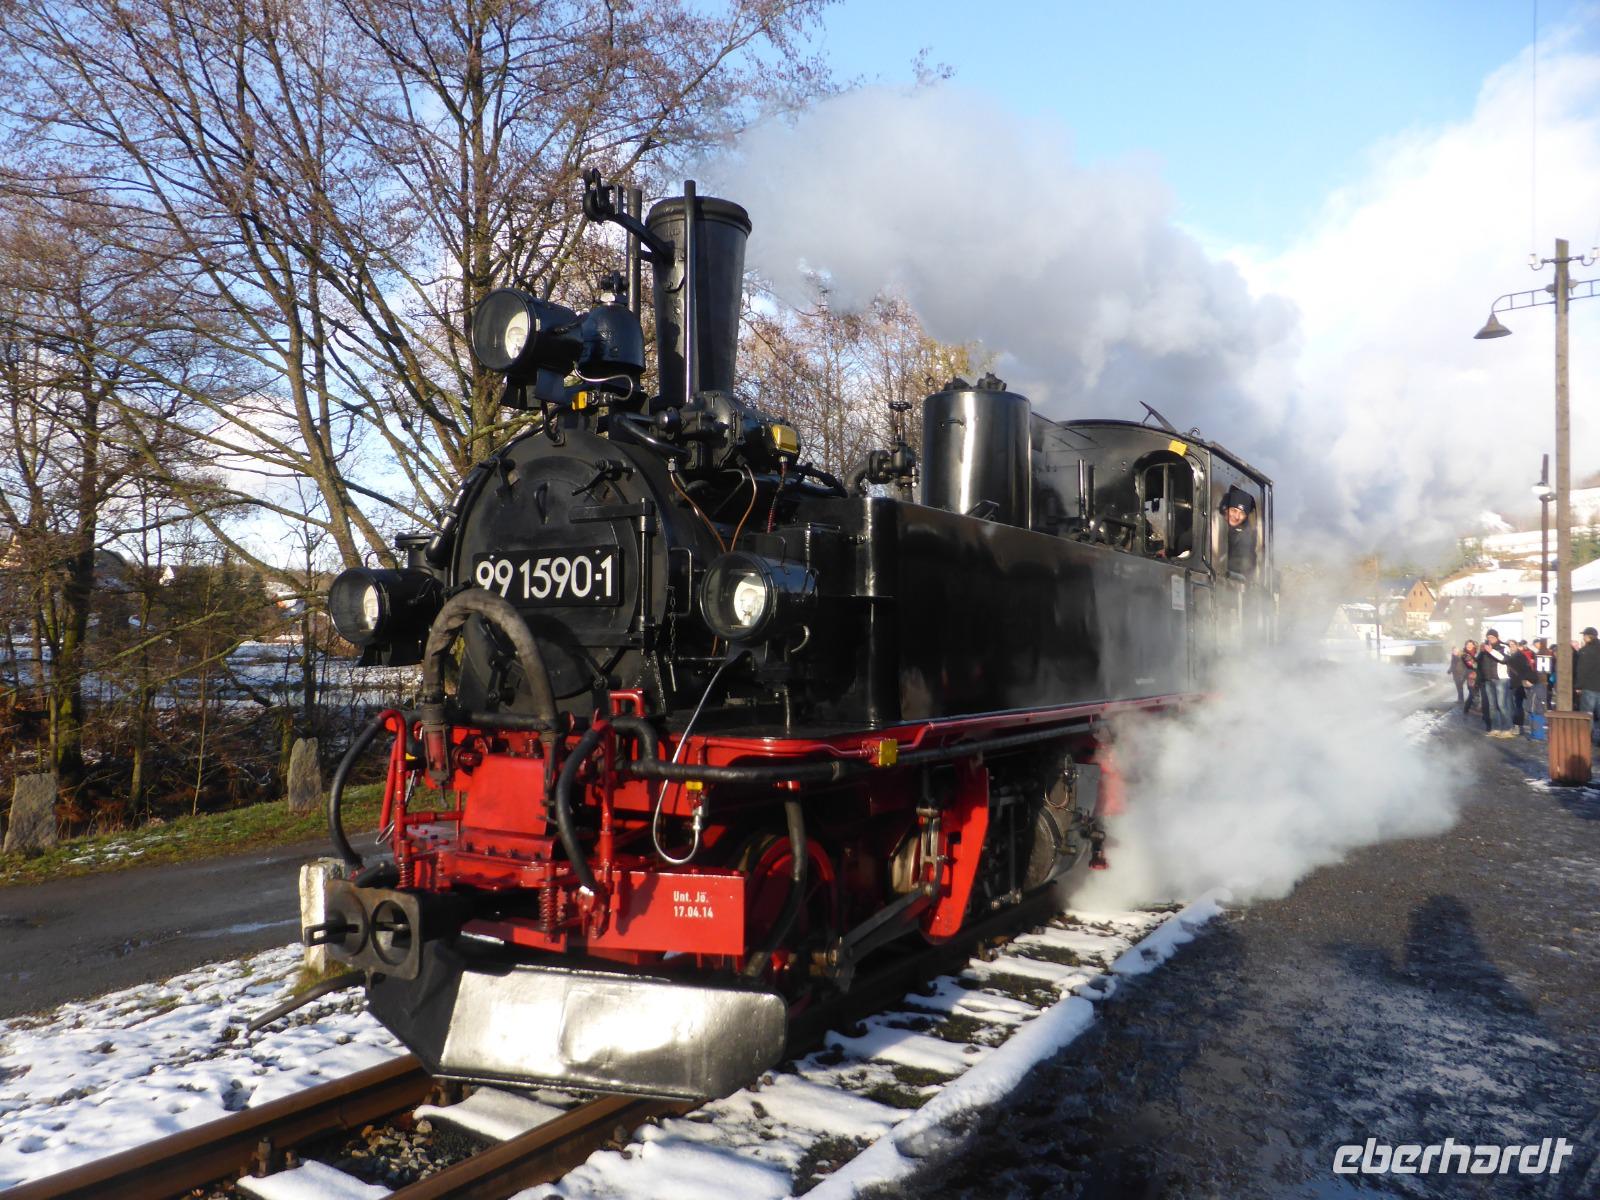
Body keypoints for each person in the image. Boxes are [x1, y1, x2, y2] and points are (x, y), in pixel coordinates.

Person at [1476, 630, 1518, 737]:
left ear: (1497, 637)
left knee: (1502, 705)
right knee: (1492, 706)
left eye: (1492, 637)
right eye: (1488, 637)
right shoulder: (1485, 648)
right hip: (1488, 679)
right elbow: (1479, 663)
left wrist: (1491, 651)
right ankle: (1496, 728)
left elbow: (1504, 659)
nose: (1490, 639)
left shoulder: (1504, 646)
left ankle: (1508, 728)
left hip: (1501, 679)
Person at [1220, 485, 1256, 579]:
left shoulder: (1245, 537)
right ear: (1226, 509)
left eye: (1242, 513)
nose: (1237, 516)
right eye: (1234, 510)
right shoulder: (1213, 524)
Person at [1575, 626, 1600, 747]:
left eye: (1584, 635)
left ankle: (1586, 739)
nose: (1583, 638)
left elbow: (1582, 670)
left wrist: (1578, 686)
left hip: (1589, 687)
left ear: (1588, 637)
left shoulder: (1585, 651)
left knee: (1587, 715)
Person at [1459, 639, 1479, 717]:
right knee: (1472, 693)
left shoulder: (1476, 653)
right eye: (1468, 645)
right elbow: (1472, 665)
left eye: (1471, 644)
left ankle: (1471, 708)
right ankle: (1467, 709)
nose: (1469, 646)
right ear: (1465, 645)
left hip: (1478, 675)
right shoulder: (1464, 654)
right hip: (1470, 676)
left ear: (1473, 645)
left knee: (1476, 692)